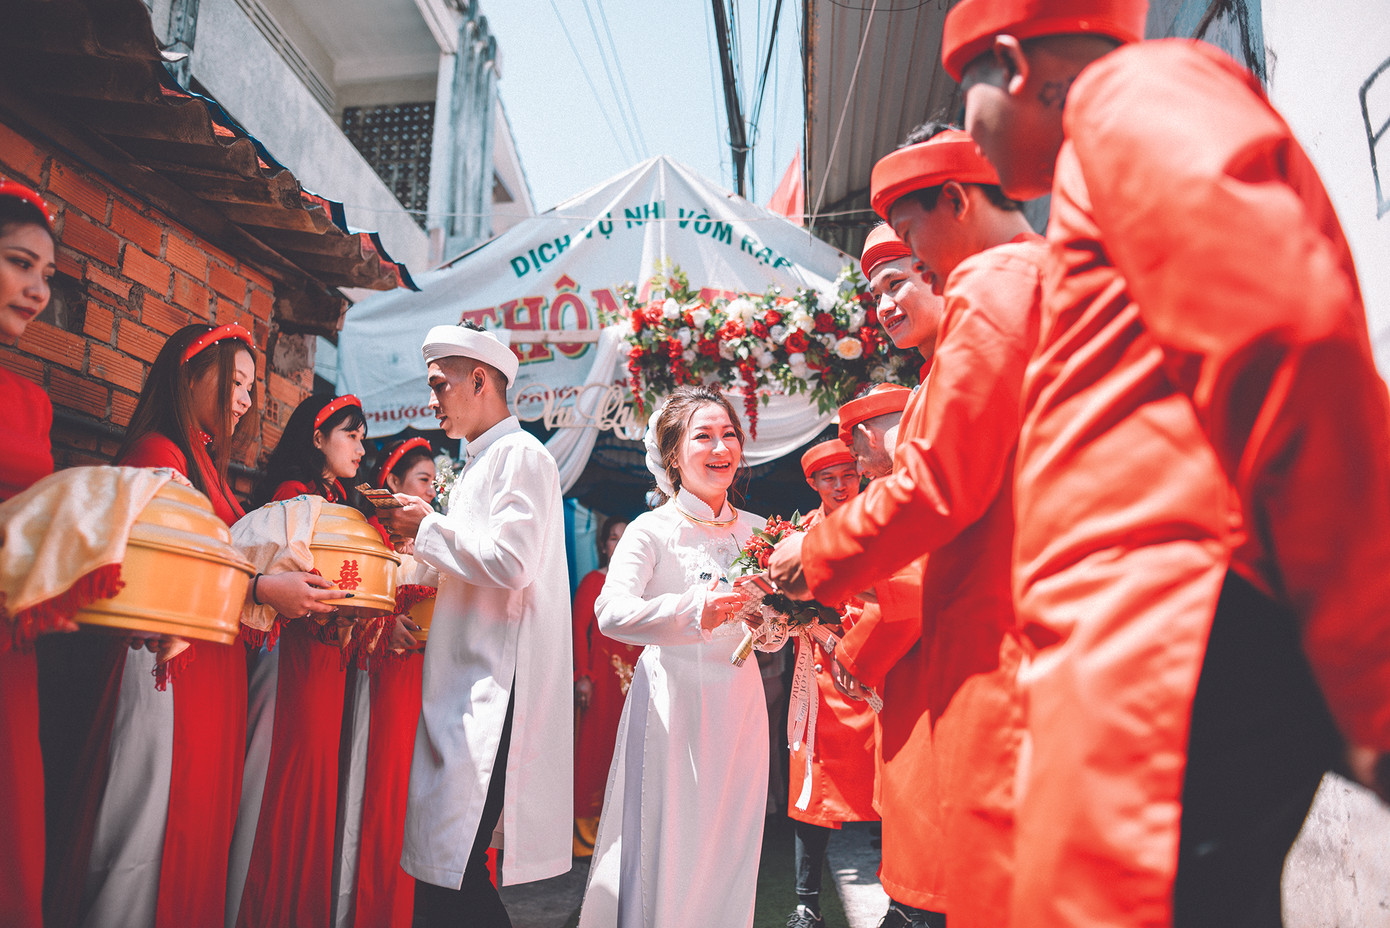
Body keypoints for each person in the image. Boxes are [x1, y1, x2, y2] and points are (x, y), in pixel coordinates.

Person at [942, 0, 1390, 924]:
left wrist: (1372, 677)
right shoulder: (1111, 132)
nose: (964, 136)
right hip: (1155, 641)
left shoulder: (1133, 93)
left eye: (964, 96)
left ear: (1016, 63)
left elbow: (1286, 345)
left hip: (1173, 643)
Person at [775, 126, 1044, 928]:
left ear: (956, 202)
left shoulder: (1000, 293)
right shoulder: (965, 338)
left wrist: (817, 557)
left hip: (987, 660)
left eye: (909, 258)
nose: (910, 278)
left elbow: (935, 496)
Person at [38, 323, 337, 928]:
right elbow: (160, 572)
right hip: (163, 667)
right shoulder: (158, 455)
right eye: (237, 382)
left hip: (207, 670)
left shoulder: (204, 463)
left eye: (251, 388)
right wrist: (259, 588)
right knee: (148, 831)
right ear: (190, 376)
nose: (246, 399)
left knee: (195, 829)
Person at [378, 322, 572, 928]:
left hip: (492, 686)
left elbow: (512, 562)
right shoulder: (480, 462)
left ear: (480, 380)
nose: (432, 398)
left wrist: (427, 527)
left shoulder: (521, 455)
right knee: (444, 868)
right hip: (463, 682)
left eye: (440, 384)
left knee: (453, 870)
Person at [576, 385, 766, 928]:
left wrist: (773, 622)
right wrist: (695, 610)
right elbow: (611, 612)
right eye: (703, 436)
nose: (720, 447)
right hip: (671, 704)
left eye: (728, 434)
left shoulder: (759, 531)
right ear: (673, 456)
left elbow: (771, 634)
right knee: (674, 839)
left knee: (734, 838)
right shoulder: (651, 530)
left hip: (741, 704)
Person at [228, 392, 370, 928]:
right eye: (350, 435)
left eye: (362, 438)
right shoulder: (293, 497)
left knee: (312, 782)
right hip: (291, 656)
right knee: (284, 778)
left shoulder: (336, 499)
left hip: (322, 660)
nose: (361, 448)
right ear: (317, 438)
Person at [831, 383, 947, 928]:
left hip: (930, 684)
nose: (852, 463)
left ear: (869, 433)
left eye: (852, 448)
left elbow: (908, 595)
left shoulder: (914, 485)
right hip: (928, 675)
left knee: (927, 840)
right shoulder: (923, 476)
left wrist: (852, 657)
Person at [334, 437, 436, 927]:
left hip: (426, 685)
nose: (432, 491)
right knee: (379, 796)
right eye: (423, 480)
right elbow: (342, 613)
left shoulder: (436, 543)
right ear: (392, 482)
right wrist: (382, 626)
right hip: (381, 684)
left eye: (435, 482)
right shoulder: (365, 539)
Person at [0, 179, 63, 927]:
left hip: (13, 645)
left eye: (46, 274)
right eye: (20, 264)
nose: (38, 290)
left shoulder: (33, 402)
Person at [785, 439, 878, 928]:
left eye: (848, 475)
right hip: (818, 682)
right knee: (810, 790)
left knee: (892, 788)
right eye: (828, 478)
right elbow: (783, 607)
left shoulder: (882, 520)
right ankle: (807, 903)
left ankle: (905, 904)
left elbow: (895, 597)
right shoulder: (798, 536)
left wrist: (853, 647)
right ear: (812, 484)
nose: (840, 486)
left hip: (876, 674)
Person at [572, 514, 638, 858]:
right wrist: (582, 675)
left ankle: (626, 836)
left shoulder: (642, 585)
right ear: (602, 545)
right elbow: (578, 630)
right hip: (601, 682)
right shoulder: (593, 582)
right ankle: (586, 838)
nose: (620, 544)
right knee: (595, 752)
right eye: (614, 538)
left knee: (632, 753)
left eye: (626, 538)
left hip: (636, 683)